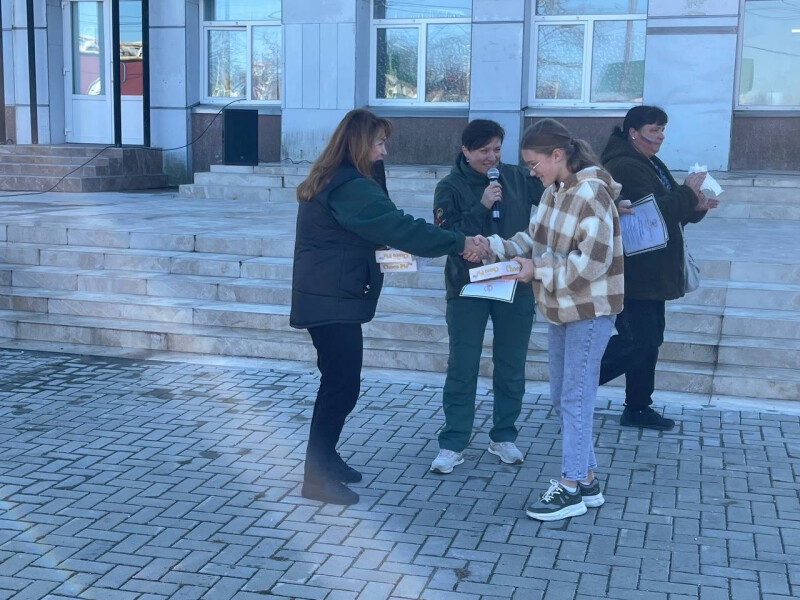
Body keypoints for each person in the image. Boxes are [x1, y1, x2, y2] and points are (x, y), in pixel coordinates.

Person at [290, 109, 487, 506]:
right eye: (379, 143)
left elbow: (381, 220)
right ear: (359, 144)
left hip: (332, 296)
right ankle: (316, 475)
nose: (384, 151)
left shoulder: (343, 177)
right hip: (331, 300)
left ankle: (324, 459)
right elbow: (398, 225)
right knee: (340, 387)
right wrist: (459, 242)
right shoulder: (348, 186)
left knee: (340, 384)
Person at [479, 118, 624, 521]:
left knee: (575, 398)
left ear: (557, 155)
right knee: (564, 397)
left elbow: (592, 263)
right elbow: (533, 238)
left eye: (534, 163)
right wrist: (495, 246)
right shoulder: (554, 191)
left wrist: (536, 270)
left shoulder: (592, 193)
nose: (531, 171)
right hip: (562, 308)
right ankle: (587, 480)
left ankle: (570, 487)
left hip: (590, 310)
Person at [430, 119, 543, 474]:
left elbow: (557, 196)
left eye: (496, 149)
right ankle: (453, 443)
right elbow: (445, 236)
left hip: (514, 283)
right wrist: (481, 205)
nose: (492, 158)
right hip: (468, 286)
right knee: (463, 365)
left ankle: (504, 435)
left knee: (511, 364)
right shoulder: (449, 187)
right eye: (483, 151)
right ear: (465, 150)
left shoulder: (515, 177)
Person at [598, 106, 720, 431]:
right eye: (654, 130)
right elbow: (652, 214)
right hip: (634, 273)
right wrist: (687, 192)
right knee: (637, 342)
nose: (661, 137)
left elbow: (671, 210)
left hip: (652, 272)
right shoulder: (624, 165)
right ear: (633, 133)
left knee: (649, 341)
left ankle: (638, 407)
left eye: (662, 130)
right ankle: (576, 384)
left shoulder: (649, 162)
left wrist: (695, 205)